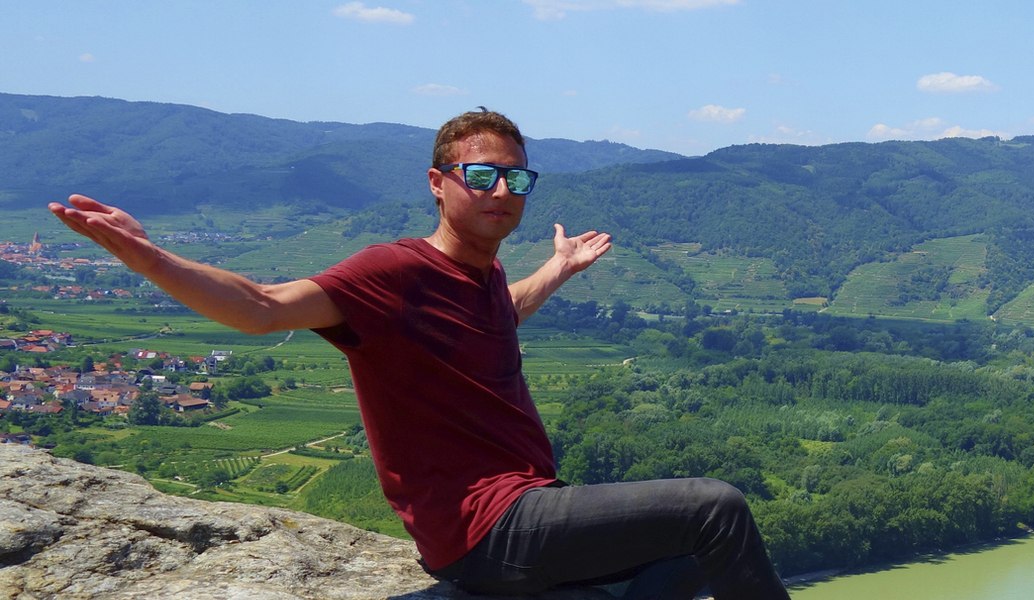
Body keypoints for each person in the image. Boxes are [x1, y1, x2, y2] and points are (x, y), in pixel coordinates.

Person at [49, 109, 790, 600]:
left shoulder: (485, 273)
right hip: (487, 530)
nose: (501, 189)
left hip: (528, 512)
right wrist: (152, 260)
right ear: (439, 185)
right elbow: (261, 306)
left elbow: (501, 315)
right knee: (714, 509)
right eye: (481, 175)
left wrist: (558, 270)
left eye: (516, 178)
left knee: (695, 558)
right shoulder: (392, 273)